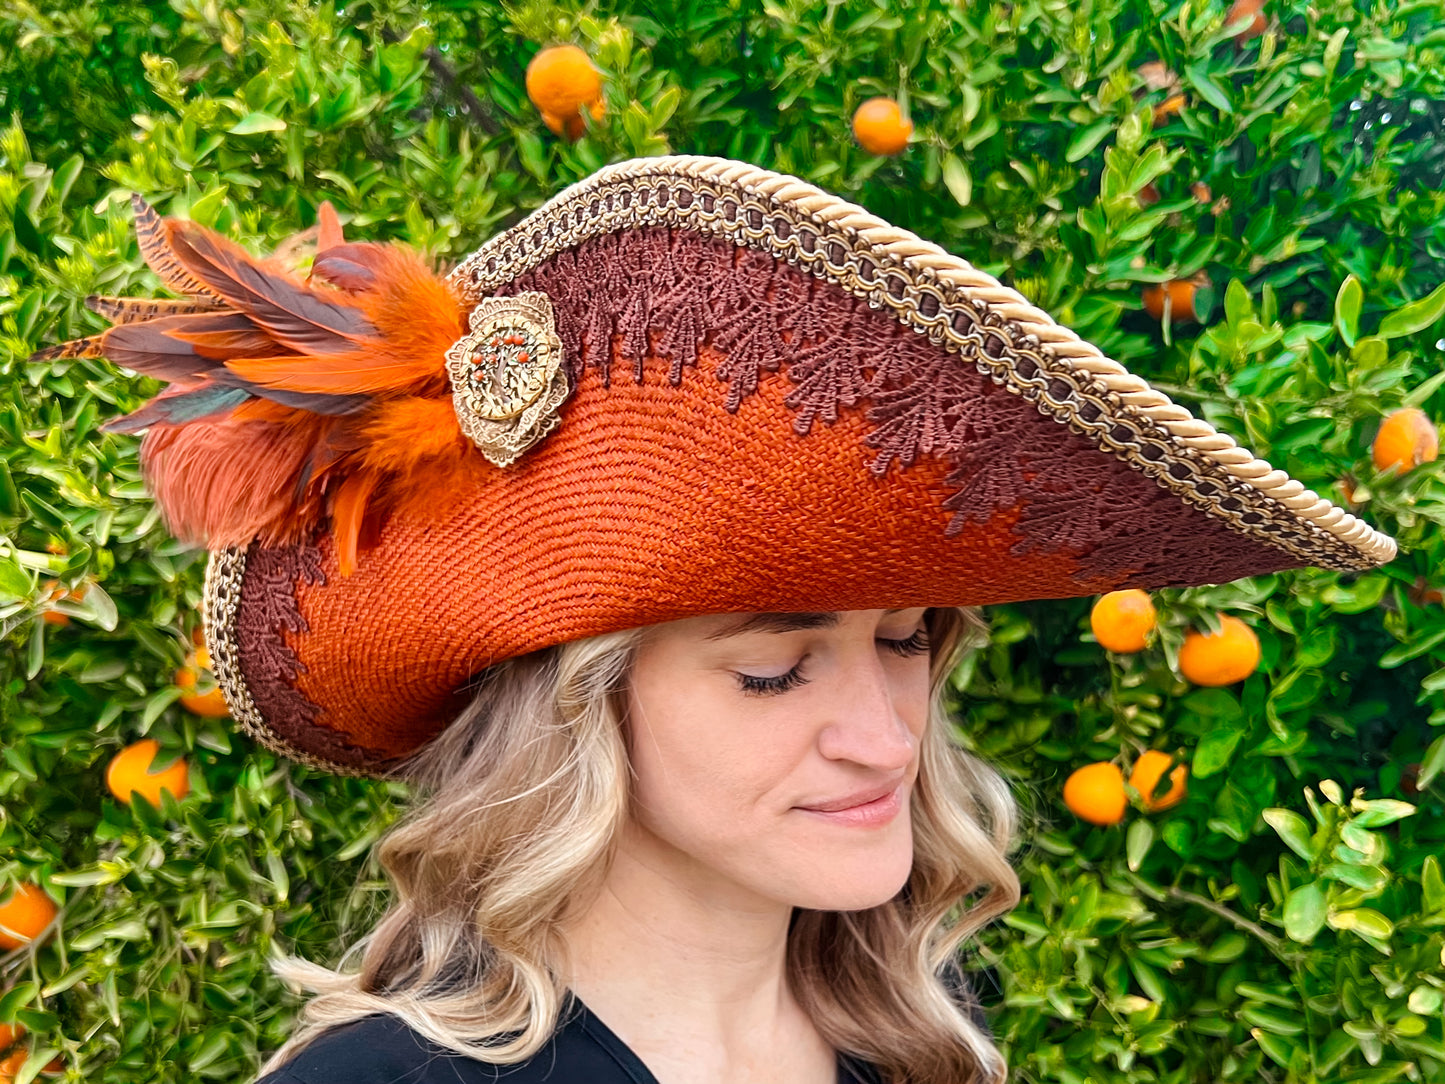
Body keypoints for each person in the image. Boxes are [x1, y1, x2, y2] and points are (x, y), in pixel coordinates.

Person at [35, 155, 1394, 1084]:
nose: (882, 738)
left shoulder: (918, 1027)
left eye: (906, 639)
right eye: (772, 671)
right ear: (575, 697)